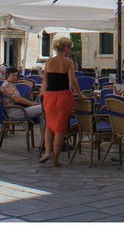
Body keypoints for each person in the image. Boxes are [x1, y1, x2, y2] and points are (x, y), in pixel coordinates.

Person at [40, 36, 83, 167]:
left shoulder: (48, 62)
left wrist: (42, 94)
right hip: (63, 96)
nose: (70, 51)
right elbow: (72, 81)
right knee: (60, 128)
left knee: (49, 125)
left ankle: (47, 152)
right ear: (65, 48)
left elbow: (45, 81)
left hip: (49, 96)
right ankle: (55, 160)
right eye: (69, 48)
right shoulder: (68, 63)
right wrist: (80, 95)